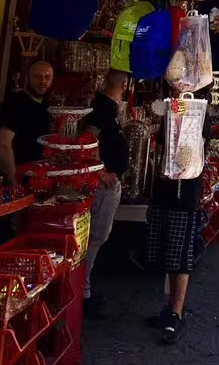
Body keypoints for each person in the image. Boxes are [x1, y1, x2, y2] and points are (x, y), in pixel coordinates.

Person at [146, 98, 213, 344]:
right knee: (168, 250)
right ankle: (169, 306)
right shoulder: (170, 108)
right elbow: (162, 142)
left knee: (181, 251)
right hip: (165, 187)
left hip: (185, 190)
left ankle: (176, 311)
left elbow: (202, 135)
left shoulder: (199, 112)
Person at [81, 70, 130, 317]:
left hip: (108, 181)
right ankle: (83, 292)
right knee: (95, 237)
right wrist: (100, 171)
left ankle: (84, 288)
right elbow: (88, 139)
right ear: (124, 84)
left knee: (98, 236)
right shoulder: (103, 109)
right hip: (103, 184)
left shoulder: (108, 108)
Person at [0, 60, 54, 181]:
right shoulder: (14, 103)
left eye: (47, 77)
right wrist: (13, 182)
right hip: (19, 178)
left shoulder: (46, 107)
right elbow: (4, 145)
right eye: (37, 77)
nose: (43, 81)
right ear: (27, 78)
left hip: (39, 179)